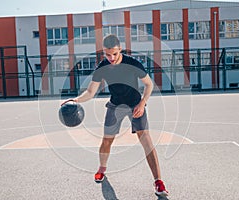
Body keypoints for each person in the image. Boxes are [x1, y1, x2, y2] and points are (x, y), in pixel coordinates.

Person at [61, 34, 169, 197]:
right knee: (106, 140)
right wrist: (76, 99)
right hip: (115, 105)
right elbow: (91, 91)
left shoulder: (133, 63)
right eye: (107, 54)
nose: (111, 57)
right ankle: (102, 169)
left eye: (114, 54)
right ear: (104, 52)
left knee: (146, 140)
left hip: (135, 104)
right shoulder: (102, 67)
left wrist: (142, 103)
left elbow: (148, 84)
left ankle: (158, 182)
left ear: (120, 50)